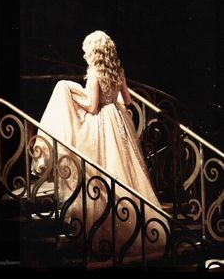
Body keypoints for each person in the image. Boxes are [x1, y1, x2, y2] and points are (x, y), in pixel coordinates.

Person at [31, 30, 169, 263]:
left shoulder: (95, 73)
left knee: (101, 172)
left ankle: (107, 230)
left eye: (86, 49)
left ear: (94, 50)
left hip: (102, 127)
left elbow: (93, 107)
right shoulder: (118, 71)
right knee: (125, 173)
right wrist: (110, 102)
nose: (84, 54)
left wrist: (74, 97)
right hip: (119, 122)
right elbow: (128, 101)